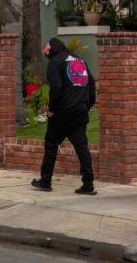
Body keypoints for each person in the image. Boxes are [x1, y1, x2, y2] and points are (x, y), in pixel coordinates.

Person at [31, 37, 96, 195]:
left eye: (47, 50)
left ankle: (45, 181)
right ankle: (88, 183)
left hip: (63, 111)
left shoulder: (55, 62)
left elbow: (57, 87)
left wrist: (52, 109)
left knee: (51, 143)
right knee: (81, 146)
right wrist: (87, 105)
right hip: (80, 110)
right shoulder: (79, 60)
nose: (46, 53)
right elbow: (92, 84)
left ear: (52, 49)